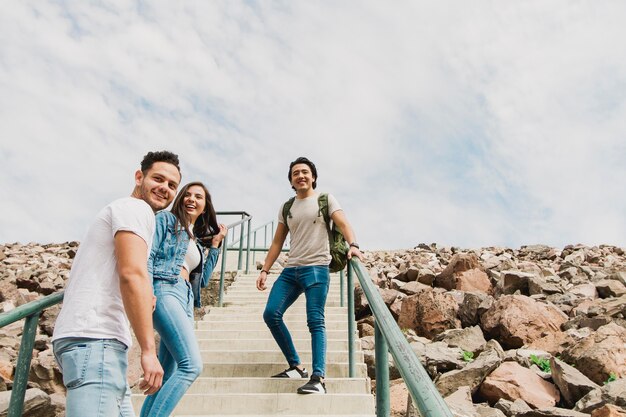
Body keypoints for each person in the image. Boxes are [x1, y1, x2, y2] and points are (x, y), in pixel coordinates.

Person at [52, 151, 181, 417]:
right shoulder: (136, 208)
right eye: (158, 178)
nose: (164, 188)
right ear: (139, 177)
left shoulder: (123, 210)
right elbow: (131, 274)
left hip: (95, 342)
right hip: (96, 341)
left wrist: (145, 293)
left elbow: (127, 272)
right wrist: (148, 350)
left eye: (172, 185)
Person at [256, 157, 363, 394]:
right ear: (291, 181)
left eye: (305, 172)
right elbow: (277, 241)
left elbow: (344, 224)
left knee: (315, 321)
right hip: (290, 270)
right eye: (296, 173)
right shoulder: (287, 207)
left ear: (313, 177)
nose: (301, 176)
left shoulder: (325, 199)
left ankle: (318, 378)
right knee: (271, 314)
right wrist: (265, 269)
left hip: (317, 268)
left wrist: (353, 244)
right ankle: (296, 366)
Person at [139, 181, 227, 416]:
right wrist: (147, 289)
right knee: (191, 366)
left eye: (198, 197)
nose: (191, 199)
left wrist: (215, 245)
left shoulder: (195, 241)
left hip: (186, 298)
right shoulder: (166, 221)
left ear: (205, 206)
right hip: (165, 288)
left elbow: (204, 279)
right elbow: (148, 255)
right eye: (187, 194)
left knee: (166, 376)